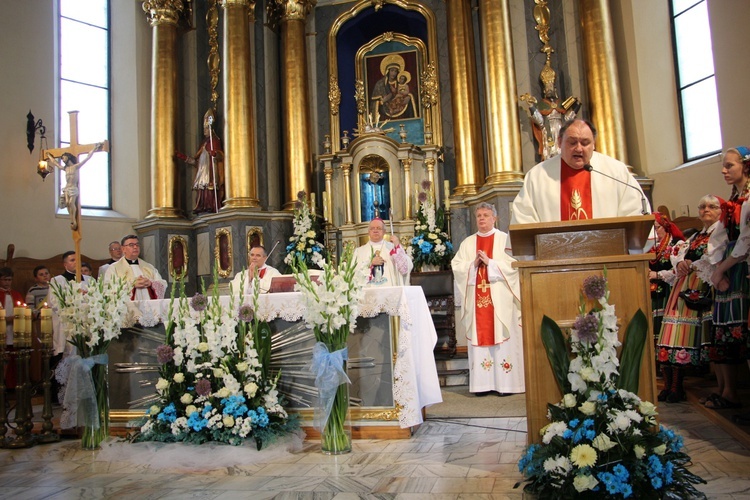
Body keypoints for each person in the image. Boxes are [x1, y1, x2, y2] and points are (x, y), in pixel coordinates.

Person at [511, 119, 650, 223]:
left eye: (585, 143)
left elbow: (634, 212)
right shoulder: (538, 176)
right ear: (559, 142)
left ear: (594, 144)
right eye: (572, 142)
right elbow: (523, 218)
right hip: (555, 259)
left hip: (608, 258)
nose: (579, 149)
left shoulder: (616, 172)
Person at [451, 203, 524, 396]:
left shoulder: (505, 240)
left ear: (495, 218)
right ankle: (482, 385)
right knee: (480, 337)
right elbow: (456, 266)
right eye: (479, 216)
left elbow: (514, 266)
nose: (481, 219)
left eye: (486, 215)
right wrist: (472, 265)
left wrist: (490, 263)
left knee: (502, 338)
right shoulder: (468, 243)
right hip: (478, 301)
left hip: (500, 301)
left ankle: (506, 385)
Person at [655, 195, 721, 403]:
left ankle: (681, 386)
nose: (705, 210)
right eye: (702, 207)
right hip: (683, 286)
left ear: (721, 211)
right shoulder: (694, 237)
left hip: (704, 287)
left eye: (711, 206)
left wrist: (692, 265)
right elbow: (679, 256)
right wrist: (681, 263)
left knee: (688, 336)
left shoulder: (720, 233)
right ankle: (671, 386)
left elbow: (714, 257)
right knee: (672, 335)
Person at [701, 147, 750, 412]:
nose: (724, 170)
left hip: (741, 268)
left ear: (745, 166)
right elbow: (718, 238)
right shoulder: (735, 199)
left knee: (742, 331)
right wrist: (716, 269)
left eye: (729, 165)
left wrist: (721, 270)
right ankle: (730, 392)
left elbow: (745, 241)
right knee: (726, 333)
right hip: (729, 269)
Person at [520, 62, 581, 160]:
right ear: (544, 91)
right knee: (550, 151)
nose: (549, 89)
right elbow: (539, 121)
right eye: (547, 87)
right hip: (548, 128)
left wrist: (577, 106)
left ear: (555, 89)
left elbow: (568, 118)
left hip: (560, 127)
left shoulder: (561, 104)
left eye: (551, 87)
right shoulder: (542, 104)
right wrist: (531, 106)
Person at [45, 142, 105, 230]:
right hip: (67, 188)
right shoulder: (65, 168)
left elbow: (87, 158)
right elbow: (55, 163)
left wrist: (95, 148)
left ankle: (74, 220)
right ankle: (71, 220)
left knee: (70, 203)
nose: (62, 159)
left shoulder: (76, 167)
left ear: (68, 157)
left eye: (63, 157)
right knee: (68, 205)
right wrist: (49, 156)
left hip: (73, 188)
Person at [177, 108, 225, 214]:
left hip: (211, 170)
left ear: (211, 129)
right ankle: (202, 206)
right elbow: (196, 160)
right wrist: (184, 158)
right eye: (204, 129)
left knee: (210, 188)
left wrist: (215, 154)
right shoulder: (204, 143)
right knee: (202, 189)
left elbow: (221, 156)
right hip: (202, 171)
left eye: (206, 129)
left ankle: (211, 205)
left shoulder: (215, 141)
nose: (204, 131)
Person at [649, 213, 685, 339]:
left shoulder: (675, 244)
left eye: (657, 227)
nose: (654, 232)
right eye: (651, 229)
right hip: (654, 292)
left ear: (665, 226)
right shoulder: (652, 248)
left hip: (670, 291)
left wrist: (657, 274)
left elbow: (678, 271)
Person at [104, 235, 167, 300]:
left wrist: (150, 283)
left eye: (137, 244)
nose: (135, 247)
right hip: (127, 307)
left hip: (149, 306)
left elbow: (162, 284)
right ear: (123, 249)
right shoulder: (114, 268)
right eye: (131, 245)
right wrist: (131, 284)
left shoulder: (149, 267)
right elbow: (108, 288)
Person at [353, 218, 413, 286]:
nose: (375, 230)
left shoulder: (393, 248)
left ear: (384, 231)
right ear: (368, 232)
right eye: (372, 228)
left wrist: (397, 246)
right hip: (367, 292)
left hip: (390, 292)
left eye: (378, 228)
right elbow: (353, 272)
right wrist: (370, 263)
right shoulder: (359, 251)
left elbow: (404, 269)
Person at [0, 267, 23, 389]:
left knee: (13, 360)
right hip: (2, 331)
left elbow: (22, 309)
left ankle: (11, 386)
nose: (7, 282)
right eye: (4, 280)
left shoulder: (16, 294)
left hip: (14, 332)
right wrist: (6, 319)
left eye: (10, 280)